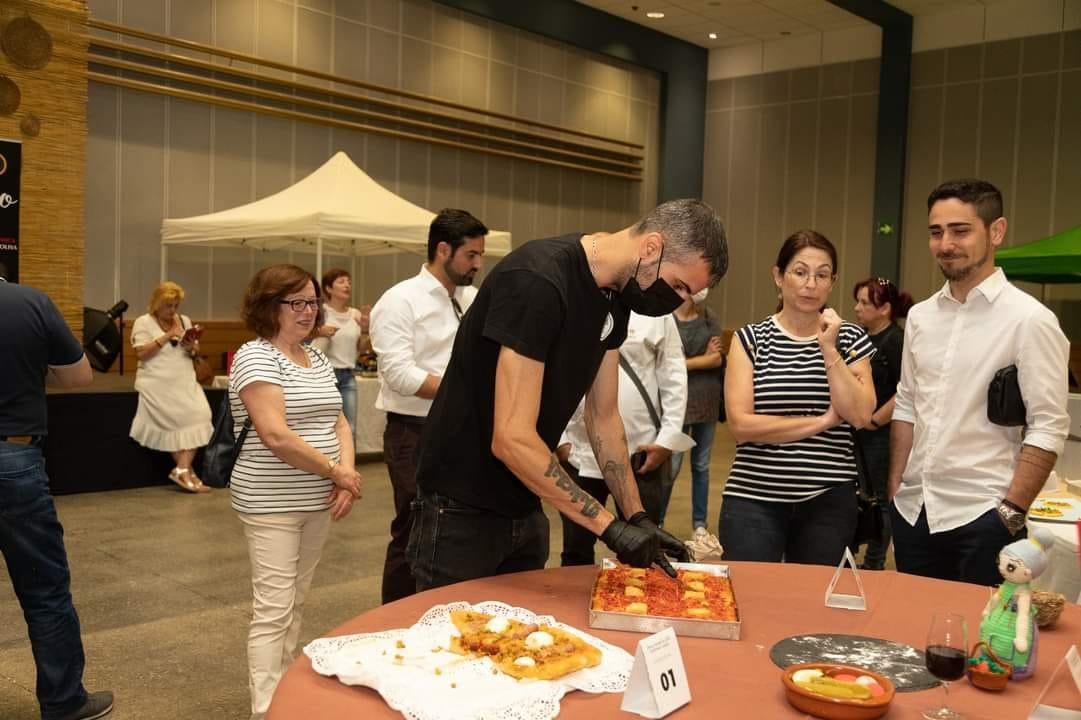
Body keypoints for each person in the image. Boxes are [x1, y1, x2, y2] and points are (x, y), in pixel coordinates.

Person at [408, 199, 728, 591]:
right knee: (451, 641)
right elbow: (510, 437)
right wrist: (607, 526)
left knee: (521, 643)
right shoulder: (539, 280)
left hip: (524, 500)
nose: (676, 300)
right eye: (678, 285)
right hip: (459, 506)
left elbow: (604, 417)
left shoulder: (615, 295)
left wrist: (637, 516)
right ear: (651, 247)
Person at [889, 179, 1069, 586]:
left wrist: (1010, 511)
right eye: (936, 232)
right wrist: (896, 487)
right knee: (913, 634)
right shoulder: (920, 317)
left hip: (983, 516)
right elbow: (906, 402)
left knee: (981, 645)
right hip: (914, 512)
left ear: (996, 231)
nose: (946, 243)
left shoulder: (1030, 320)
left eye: (960, 230)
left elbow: (1049, 424)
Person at [229, 264, 362, 720]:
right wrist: (337, 472)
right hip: (271, 503)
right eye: (296, 303)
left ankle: (284, 693)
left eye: (312, 302)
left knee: (296, 600)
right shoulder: (255, 356)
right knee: (273, 607)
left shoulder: (318, 357)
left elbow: (339, 420)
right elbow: (275, 435)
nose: (308, 312)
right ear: (270, 306)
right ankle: (265, 710)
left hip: (317, 500)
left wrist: (344, 470)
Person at [719, 230, 875, 566]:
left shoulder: (849, 337)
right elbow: (742, 425)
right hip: (753, 496)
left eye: (821, 275)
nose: (810, 284)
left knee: (813, 603)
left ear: (832, 282)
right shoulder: (750, 339)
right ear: (779, 276)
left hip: (829, 498)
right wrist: (823, 421)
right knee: (750, 597)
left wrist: (828, 348)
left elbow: (861, 414)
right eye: (800, 272)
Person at [0, 279, 114, 720]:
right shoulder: (29, 301)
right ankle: (64, 701)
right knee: (44, 590)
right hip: (13, 456)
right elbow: (78, 375)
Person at [369, 208, 488, 604]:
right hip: (413, 432)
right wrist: (465, 391)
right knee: (415, 529)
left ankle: (443, 614)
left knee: (458, 529)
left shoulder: (473, 299)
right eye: (470, 255)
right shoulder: (400, 300)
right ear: (442, 249)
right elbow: (400, 375)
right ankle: (394, 621)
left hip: (464, 432)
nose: (478, 264)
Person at [556, 309, 693, 566]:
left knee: (644, 546)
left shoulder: (658, 313)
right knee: (575, 548)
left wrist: (667, 439)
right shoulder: (576, 302)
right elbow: (554, 368)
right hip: (579, 454)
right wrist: (560, 440)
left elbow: (673, 373)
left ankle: (635, 602)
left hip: (641, 453)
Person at [850, 277, 914, 570]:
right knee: (861, 496)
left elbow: (908, 388)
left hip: (882, 434)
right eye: (858, 301)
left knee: (881, 499)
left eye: (865, 302)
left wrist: (876, 420)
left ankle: (874, 562)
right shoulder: (862, 338)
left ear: (885, 309)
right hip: (859, 431)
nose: (857, 308)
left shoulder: (897, 341)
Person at [129, 281, 214, 493]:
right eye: (169, 305)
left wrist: (191, 347)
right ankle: (187, 472)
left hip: (184, 379)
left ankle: (183, 469)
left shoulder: (184, 320)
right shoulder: (143, 322)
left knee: (201, 415)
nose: (173, 310)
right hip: (156, 382)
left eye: (176, 305)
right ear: (157, 303)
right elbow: (141, 353)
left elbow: (194, 351)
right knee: (175, 423)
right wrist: (168, 335)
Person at [670, 287, 725, 557]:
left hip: (706, 401)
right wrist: (700, 358)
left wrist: (686, 362)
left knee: (701, 466)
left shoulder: (709, 317)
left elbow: (716, 358)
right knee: (671, 465)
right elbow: (668, 363)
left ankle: (699, 524)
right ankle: (656, 520)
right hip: (677, 403)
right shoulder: (667, 319)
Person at [312, 268, 369, 437]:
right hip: (325, 376)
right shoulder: (320, 311)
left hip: (348, 376)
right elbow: (303, 337)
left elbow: (362, 349)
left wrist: (365, 330)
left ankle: (348, 464)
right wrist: (319, 331)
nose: (347, 285)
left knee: (350, 428)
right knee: (325, 427)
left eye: (349, 282)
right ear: (329, 288)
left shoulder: (355, 314)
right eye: (341, 281)